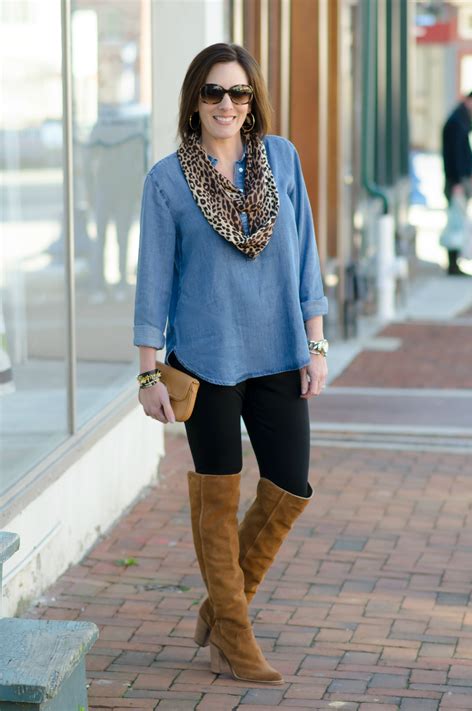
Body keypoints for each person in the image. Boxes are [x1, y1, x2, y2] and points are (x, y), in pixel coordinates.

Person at [133, 43, 328, 685]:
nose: (226, 104)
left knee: (290, 484)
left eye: (238, 93)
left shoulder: (281, 159)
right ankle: (235, 639)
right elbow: (154, 279)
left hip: (278, 350)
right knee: (217, 496)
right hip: (205, 358)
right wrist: (147, 370)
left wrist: (317, 340)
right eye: (213, 92)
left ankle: (221, 607)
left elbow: (304, 256)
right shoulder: (167, 179)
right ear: (195, 99)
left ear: (253, 102)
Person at [441, 91, 472, 275]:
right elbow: (454, 155)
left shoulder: (462, 121)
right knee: (455, 222)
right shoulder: (457, 122)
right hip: (456, 181)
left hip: (458, 180)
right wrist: (457, 180)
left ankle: (455, 263)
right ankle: (453, 264)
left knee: (458, 222)